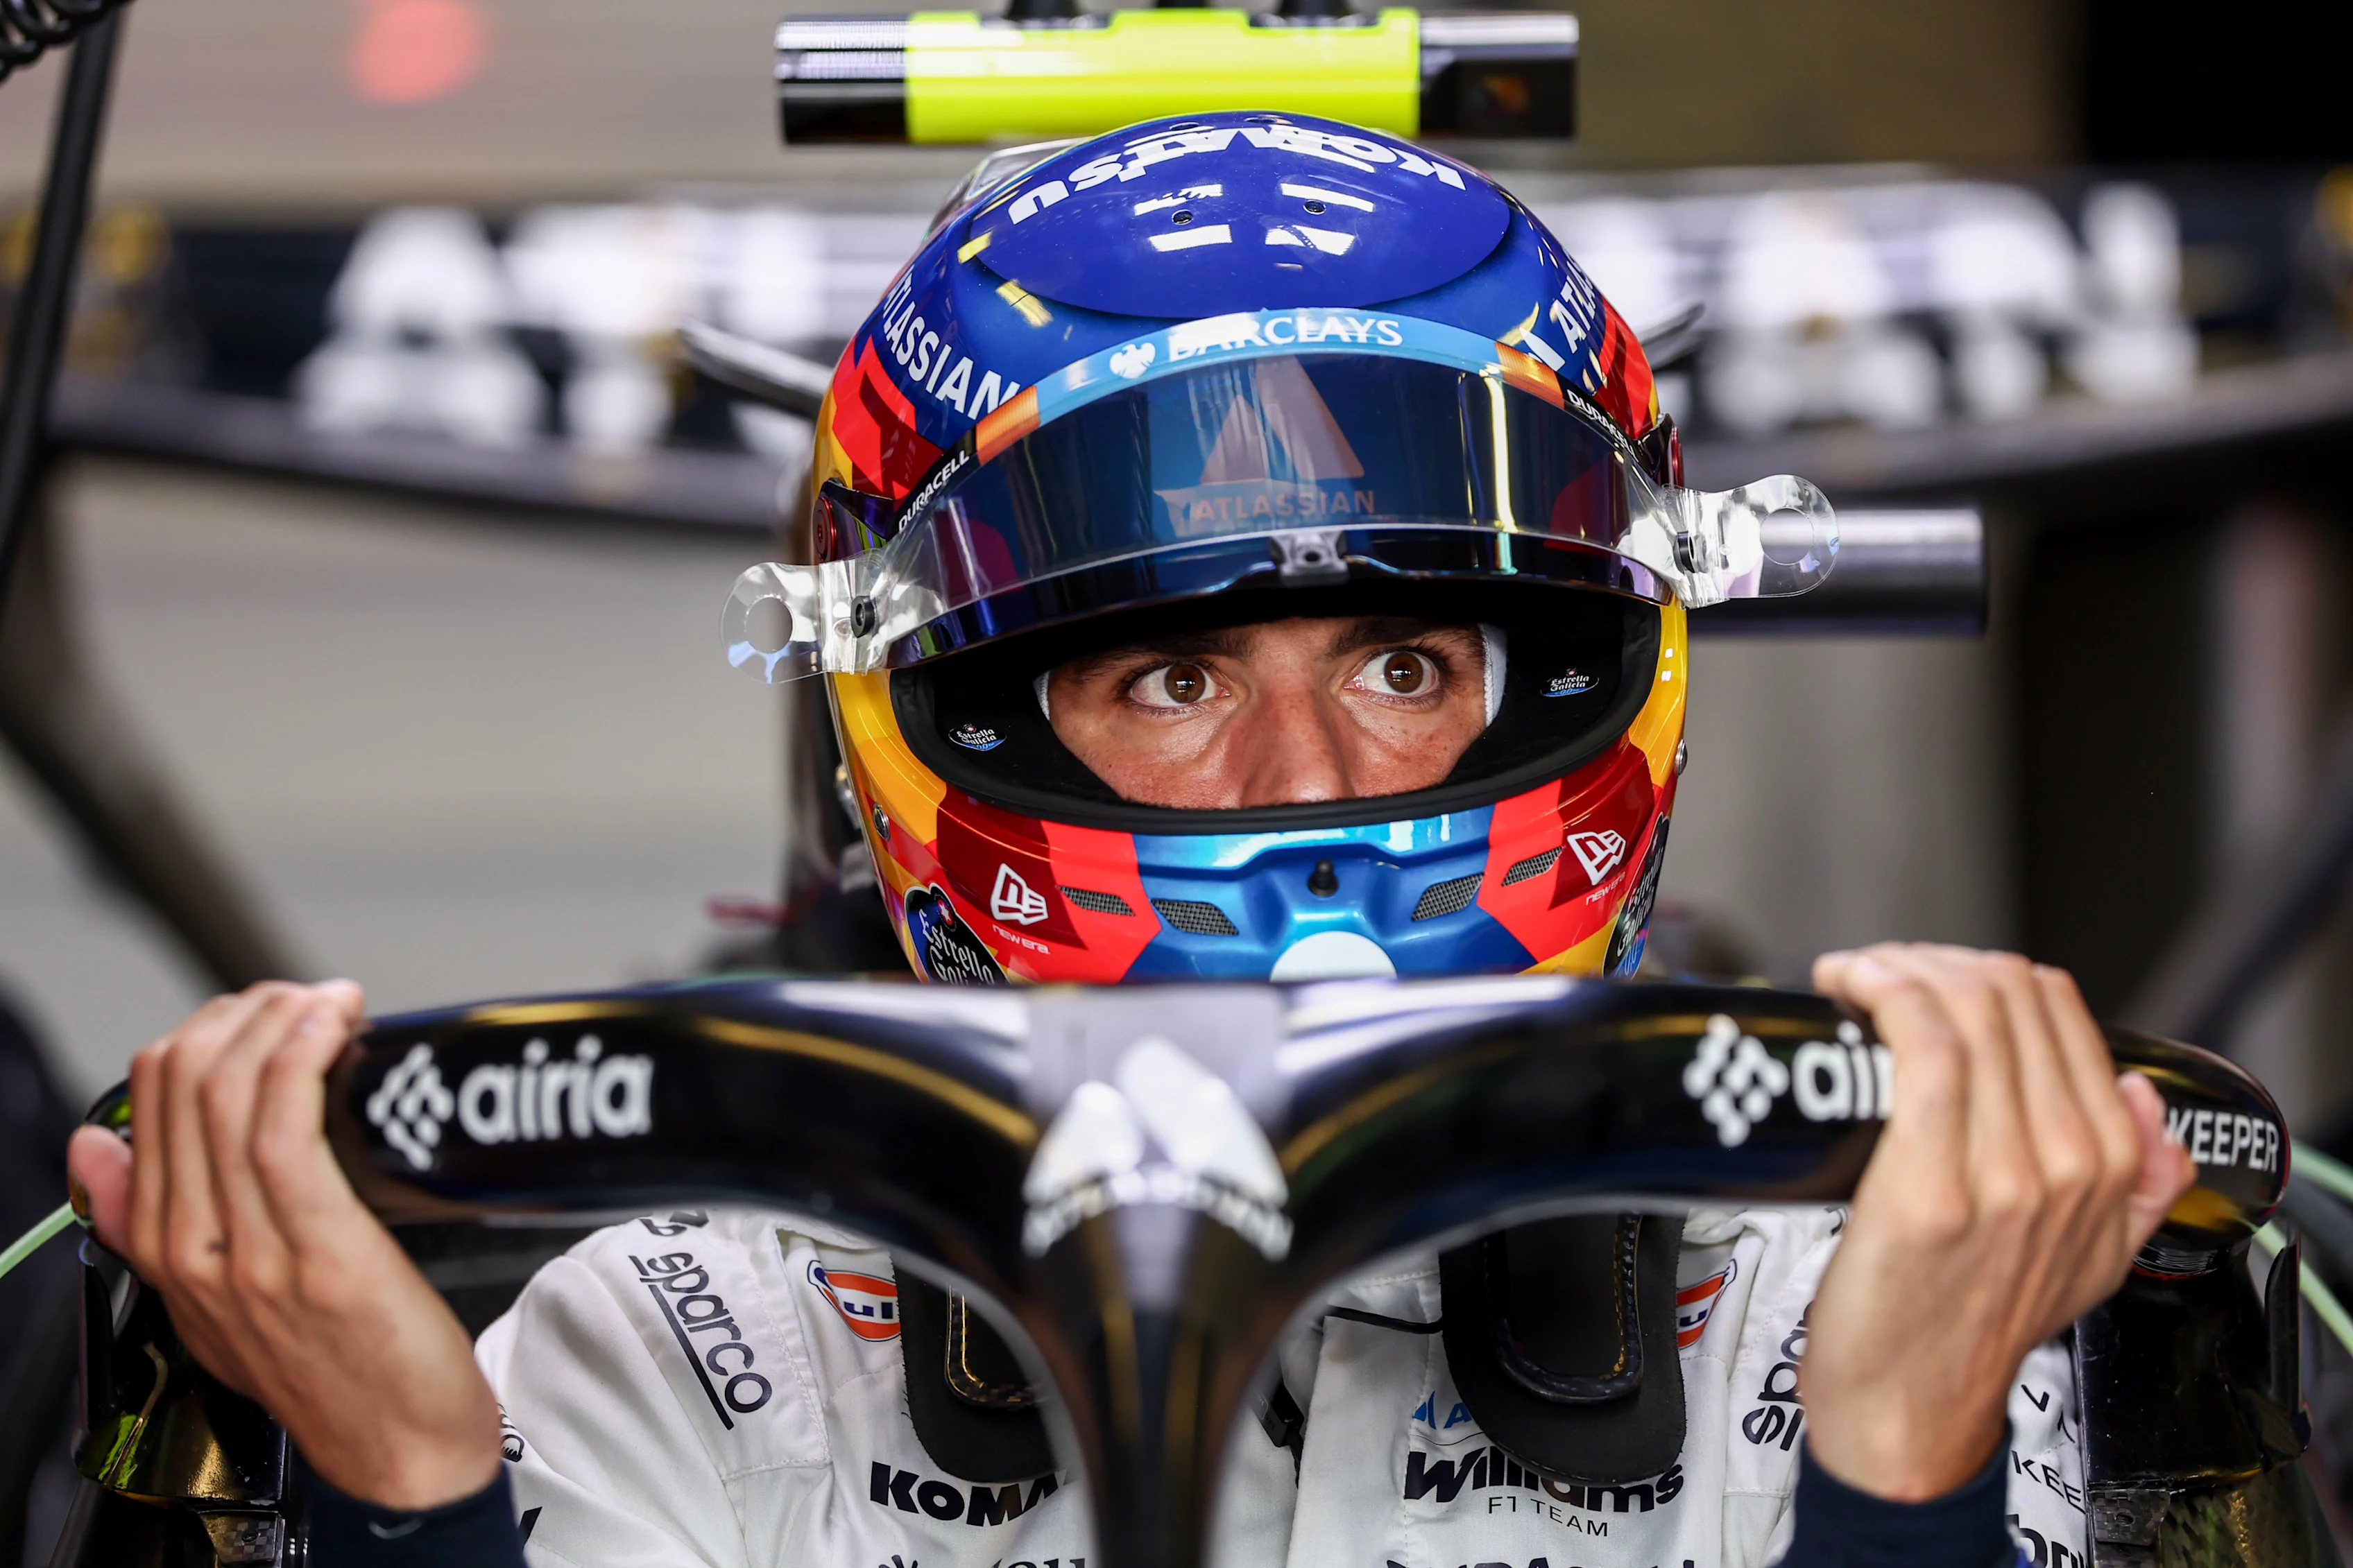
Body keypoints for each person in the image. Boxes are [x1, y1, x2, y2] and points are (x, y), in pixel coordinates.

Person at [66, 112, 2196, 1568]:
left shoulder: (1870, 1306)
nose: (1305, 782)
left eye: (1401, 659)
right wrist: (415, 1488)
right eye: (1171, 681)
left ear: (1565, 662)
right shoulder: (693, 1348)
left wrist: (1896, 1470)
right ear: (956, 716)